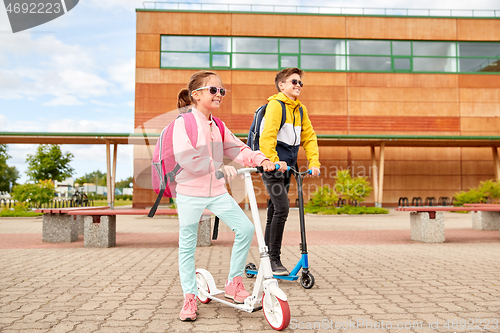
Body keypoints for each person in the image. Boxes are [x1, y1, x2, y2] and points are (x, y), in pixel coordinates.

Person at [173, 70, 276, 322]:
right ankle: (189, 296)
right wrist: (216, 166)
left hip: (217, 192)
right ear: (195, 95)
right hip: (189, 192)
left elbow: (238, 148)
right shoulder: (183, 123)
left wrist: (261, 159)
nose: (219, 94)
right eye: (213, 90)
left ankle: (234, 282)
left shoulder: (218, 125)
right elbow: (186, 156)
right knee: (187, 244)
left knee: (245, 228)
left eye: (222, 91)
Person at [259, 68, 321, 276]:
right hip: (273, 166)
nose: (298, 85)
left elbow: (309, 137)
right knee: (282, 209)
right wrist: (274, 161)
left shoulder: (300, 109)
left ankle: (266, 257)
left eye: (300, 83)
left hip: (289, 166)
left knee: (274, 211)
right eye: (294, 82)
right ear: (281, 85)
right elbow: (267, 137)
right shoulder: (275, 106)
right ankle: (274, 259)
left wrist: (314, 162)